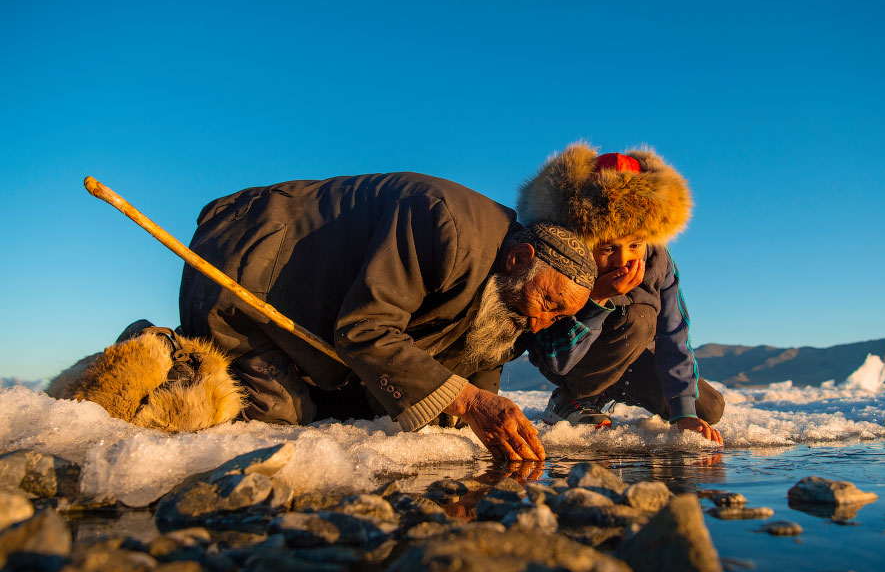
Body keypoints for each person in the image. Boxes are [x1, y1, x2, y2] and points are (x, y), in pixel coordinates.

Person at [178, 171, 599, 460]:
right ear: (518, 258)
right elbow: (365, 330)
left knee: (360, 420)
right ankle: (165, 352)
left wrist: (477, 420)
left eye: (559, 317)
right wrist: (470, 403)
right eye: (550, 304)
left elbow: (480, 359)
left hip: (321, 311)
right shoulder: (444, 226)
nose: (543, 324)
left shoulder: (514, 291)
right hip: (247, 269)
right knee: (280, 430)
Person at [516, 143, 725, 445]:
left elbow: (673, 332)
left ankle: (610, 389)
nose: (623, 260)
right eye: (609, 247)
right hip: (570, 359)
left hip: (629, 356)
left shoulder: (658, 260)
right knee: (638, 318)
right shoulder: (563, 258)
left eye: (634, 245)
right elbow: (554, 358)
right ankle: (573, 399)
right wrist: (597, 299)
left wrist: (683, 412)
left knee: (709, 408)